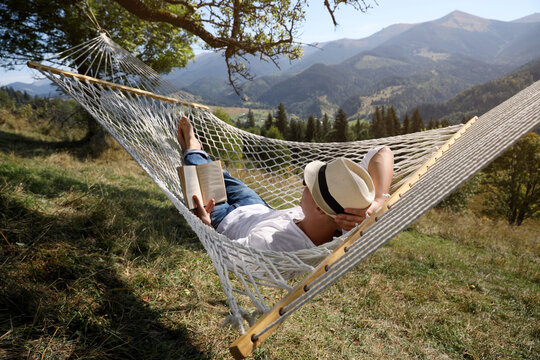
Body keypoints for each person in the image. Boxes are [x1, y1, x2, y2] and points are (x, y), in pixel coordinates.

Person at [177, 116, 394, 251]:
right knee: (222, 175)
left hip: (221, 216)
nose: (303, 185)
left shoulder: (273, 243)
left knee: (196, 173)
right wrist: (377, 201)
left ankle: (192, 148)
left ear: (319, 208)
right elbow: (382, 153)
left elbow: (227, 254)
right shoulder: (344, 223)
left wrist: (205, 226)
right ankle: (200, 153)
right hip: (257, 208)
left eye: (309, 186)